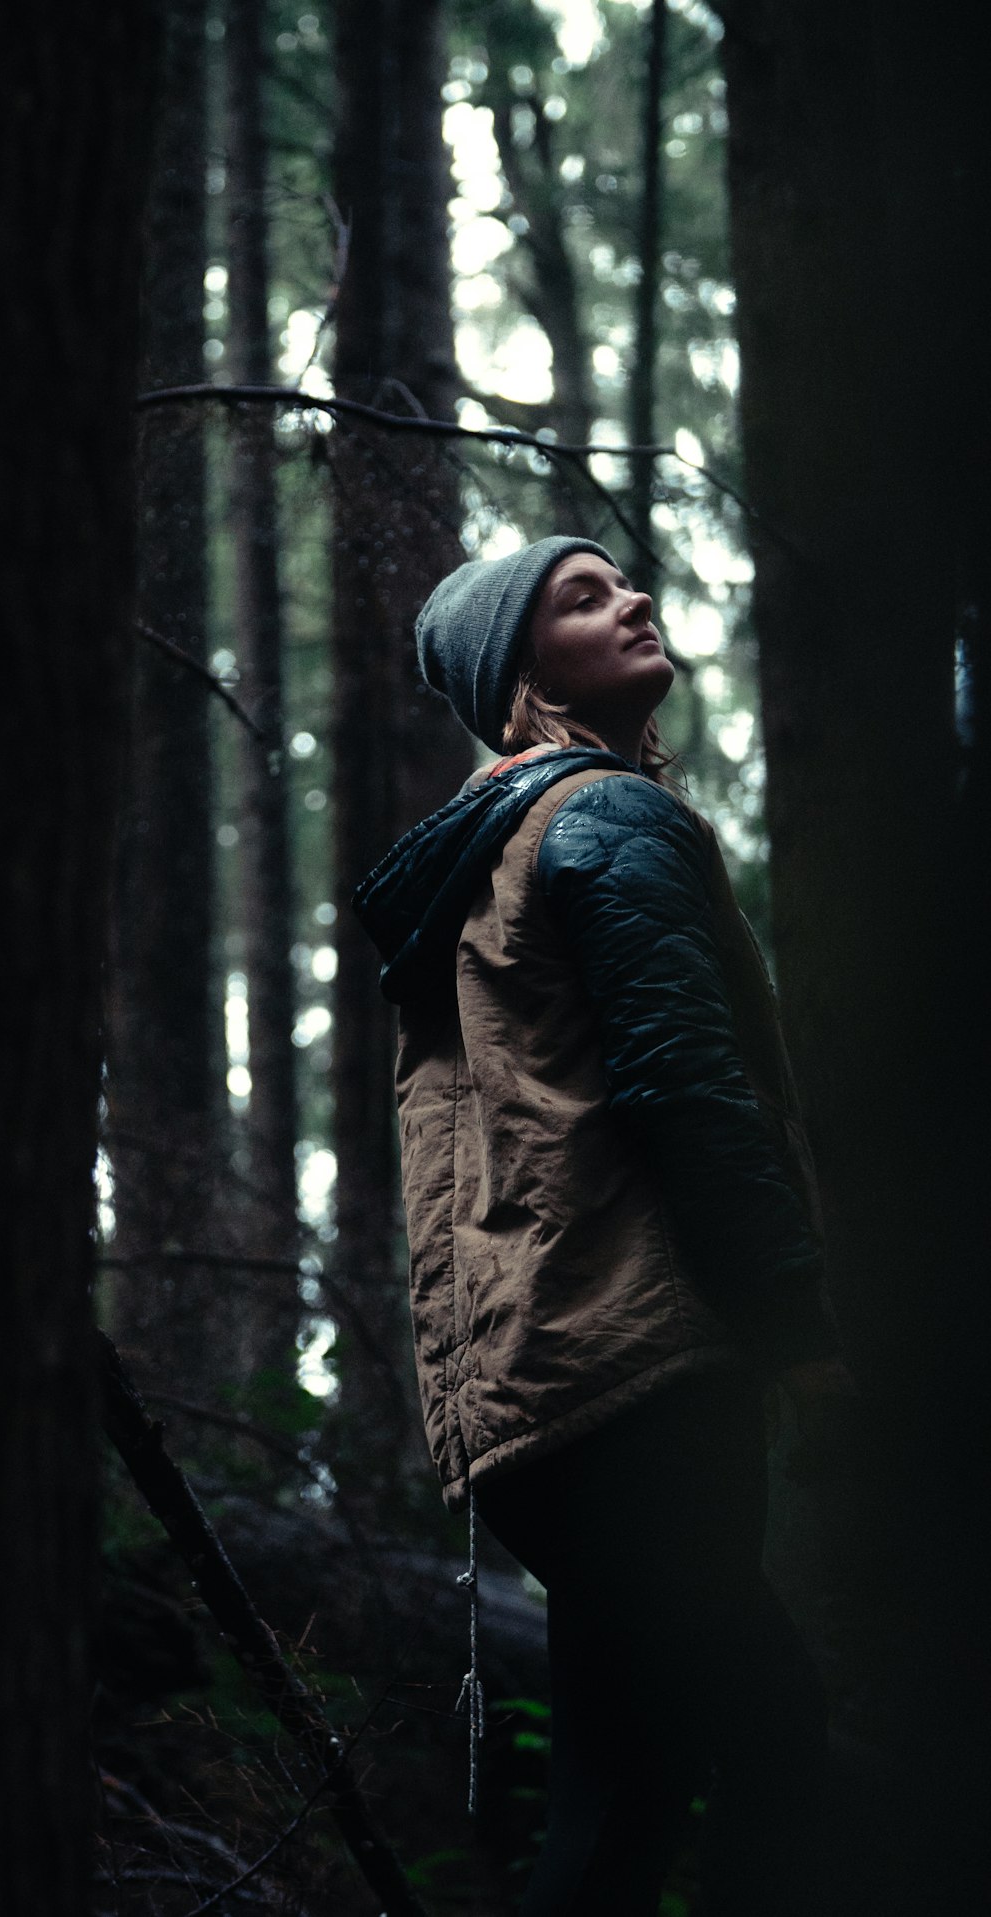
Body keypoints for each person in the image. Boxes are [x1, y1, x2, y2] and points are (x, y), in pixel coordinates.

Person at [353, 535, 856, 1915]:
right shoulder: (606, 821)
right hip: (639, 1374)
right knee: (772, 1737)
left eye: (626, 579)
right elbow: (686, 1089)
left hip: (532, 1393)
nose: (635, 596)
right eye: (584, 597)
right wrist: (793, 1324)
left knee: (620, 1791)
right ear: (521, 680)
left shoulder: (491, 848)